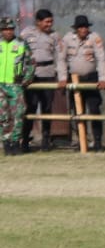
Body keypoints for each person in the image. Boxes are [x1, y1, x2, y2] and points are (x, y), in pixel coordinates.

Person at [19, 9, 67, 152]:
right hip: (31, 76)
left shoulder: (55, 36)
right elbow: (19, 54)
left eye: (51, 21)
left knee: (47, 108)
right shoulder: (26, 33)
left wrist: (62, 77)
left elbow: (60, 58)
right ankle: (25, 140)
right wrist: (20, 75)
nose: (49, 24)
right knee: (31, 107)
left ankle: (46, 140)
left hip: (48, 74)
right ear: (38, 22)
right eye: (46, 22)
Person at [63, 15, 105, 152]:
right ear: (76, 28)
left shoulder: (94, 37)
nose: (83, 29)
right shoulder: (67, 38)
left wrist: (102, 78)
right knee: (77, 112)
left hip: (91, 78)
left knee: (94, 110)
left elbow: (101, 59)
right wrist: (63, 77)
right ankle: (81, 141)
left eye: (85, 27)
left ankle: (98, 142)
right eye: (81, 27)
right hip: (74, 79)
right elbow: (61, 59)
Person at [0, 17, 34, 157]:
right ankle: (6, 143)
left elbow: (30, 62)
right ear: (1, 30)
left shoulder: (21, 43)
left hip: (15, 85)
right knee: (3, 115)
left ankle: (15, 143)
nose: (8, 32)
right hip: (0, 85)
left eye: (11, 29)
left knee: (18, 114)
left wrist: (27, 78)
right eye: (5, 29)